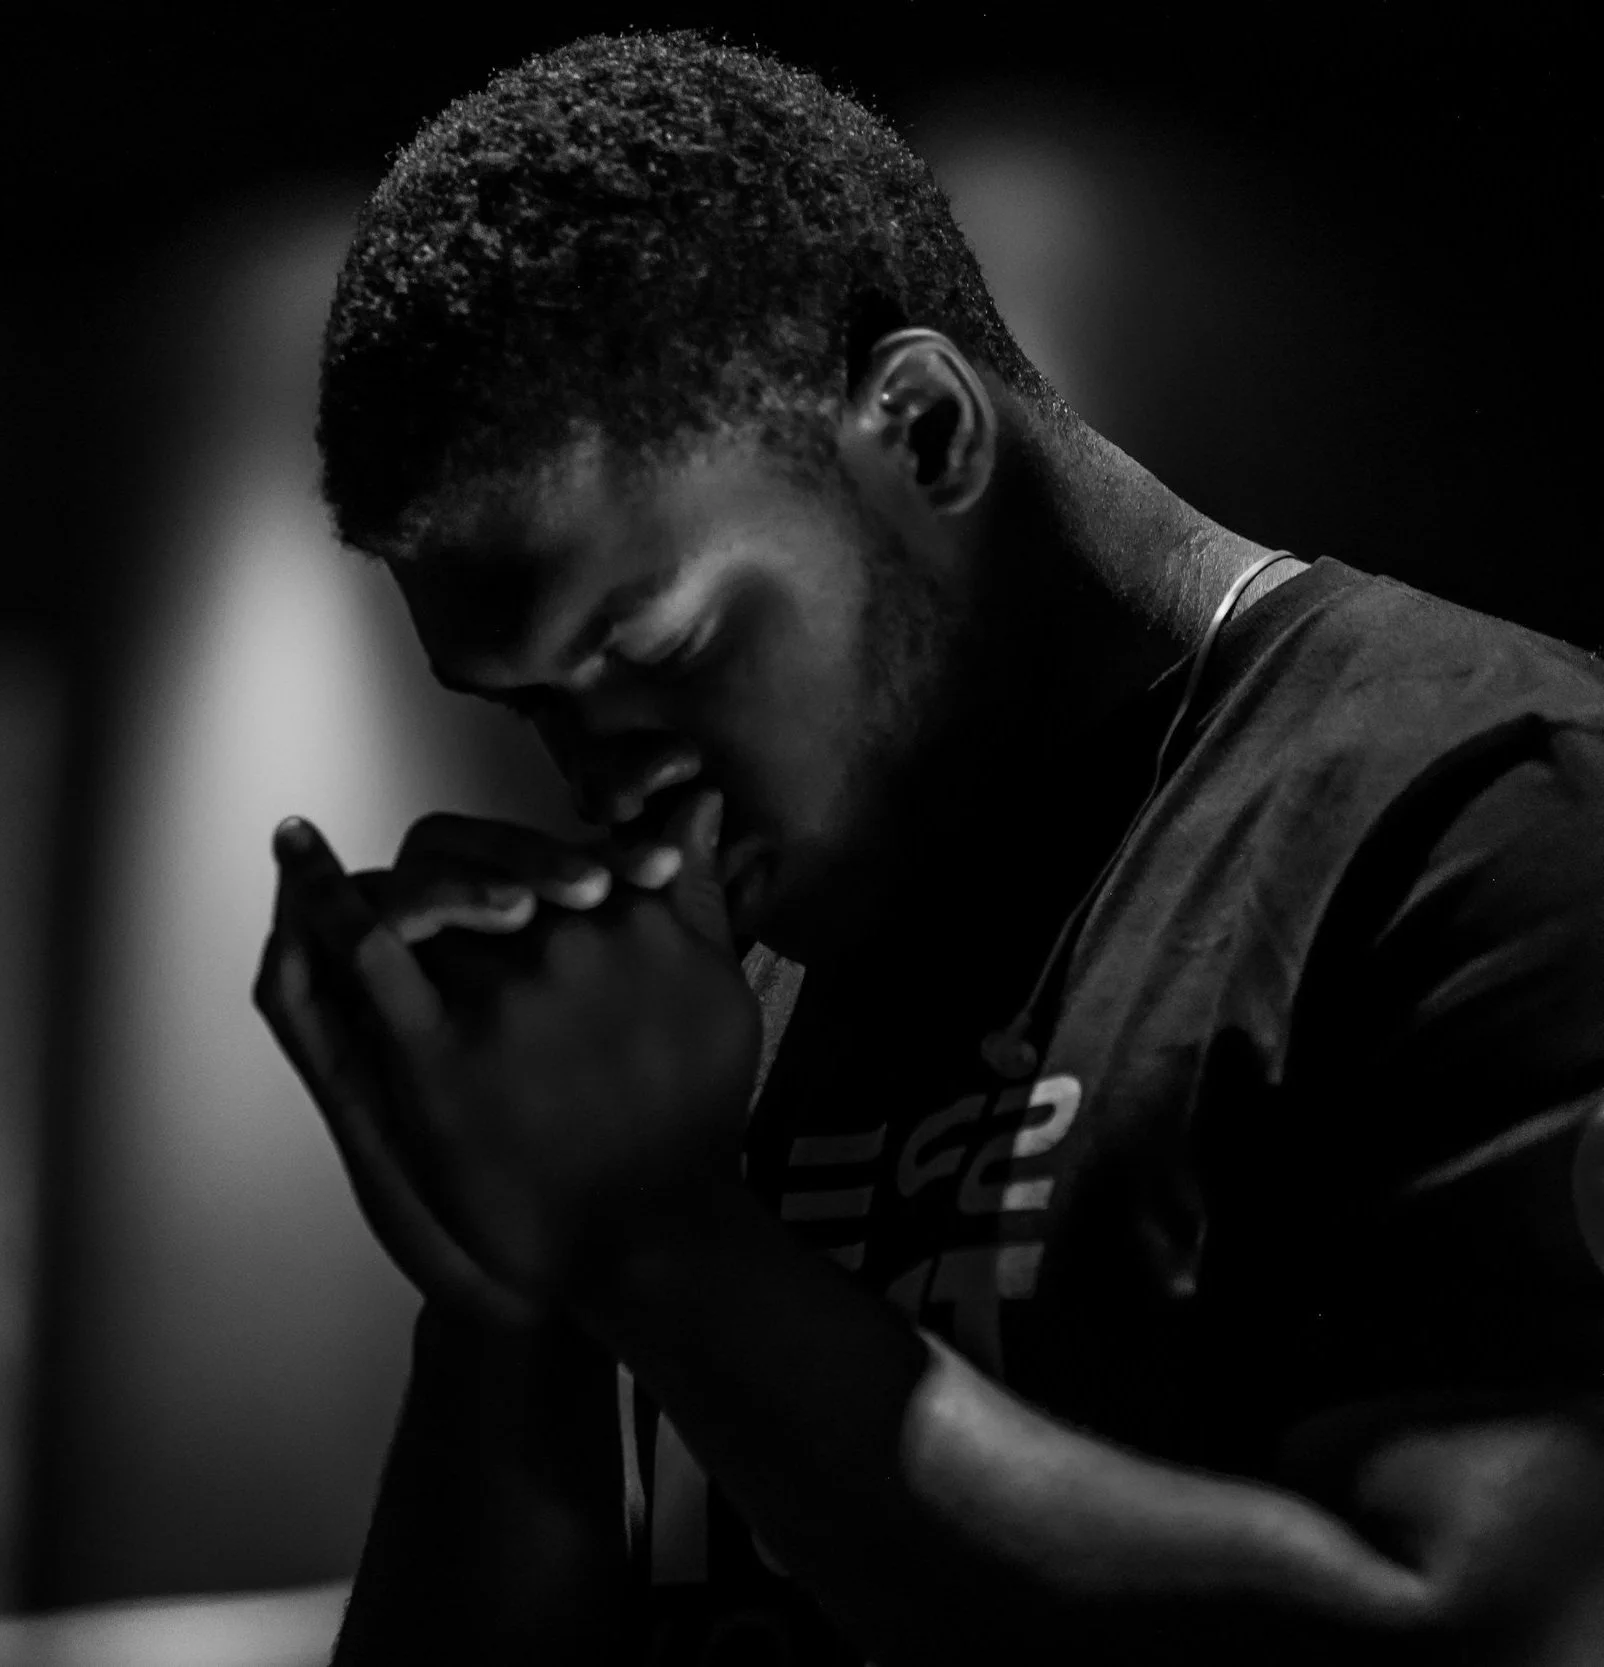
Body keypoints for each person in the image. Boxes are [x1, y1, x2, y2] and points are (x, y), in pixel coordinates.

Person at [250, 29, 1604, 1667]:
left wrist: (661, 1248)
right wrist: (508, 1262)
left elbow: (1499, 1631)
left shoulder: (1483, 809)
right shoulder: (705, 973)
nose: (613, 789)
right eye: (538, 712)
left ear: (924, 429)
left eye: (662, 659)